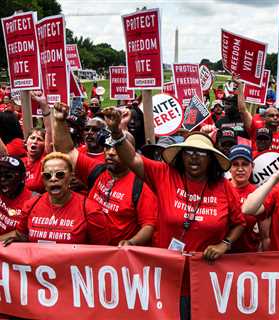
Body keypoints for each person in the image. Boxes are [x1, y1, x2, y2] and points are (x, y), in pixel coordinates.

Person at [103, 108, 245, 318]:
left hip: (204, 279)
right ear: (181, 155)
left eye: (201, 153)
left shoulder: (224, 187)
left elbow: (240, 222)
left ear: (212, 158)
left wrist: (224, 244)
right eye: (189, 152)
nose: (194, 158)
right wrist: (116, 132)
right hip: (164, 276)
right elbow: (132, 159)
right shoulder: (164, 175)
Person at [53, 103, 158, 246]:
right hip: (90, 250)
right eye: (108, 147)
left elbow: (149, 225)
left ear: (130, 152)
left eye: (117, 148)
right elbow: (67, 151)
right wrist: (59, 121)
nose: (111, 152)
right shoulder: (97, 170)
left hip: (117, 259)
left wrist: (131, 243)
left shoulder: (141, 185)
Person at [0, 152, 109, 245]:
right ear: (43, 179)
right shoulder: (31, 205)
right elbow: (21, 235)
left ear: (71, 176)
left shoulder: (90, 210)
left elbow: (101, 252)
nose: (53, 179)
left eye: (60, 174)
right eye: (47, 175)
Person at [228, 145, 262, 252]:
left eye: (245, 164)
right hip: (220, 256)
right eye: (235, 164)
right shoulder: (220, 189)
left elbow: (265, 236)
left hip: (248, 257)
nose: (240, 169)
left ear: (252, 166)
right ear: (229, 167)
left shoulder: (258, 194)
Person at [22, 94, 53, 194]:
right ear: (26, 142)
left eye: (39, 139)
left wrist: (44, 106)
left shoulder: (44, 160)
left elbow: (49, 130)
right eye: (32, 138)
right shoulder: (19, 162)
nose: (35, 141)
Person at [0, 156, 33, 236]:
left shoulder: (33, 201)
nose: (2, 179)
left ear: (22, 178)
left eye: (8, 176)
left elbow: (24, 234)